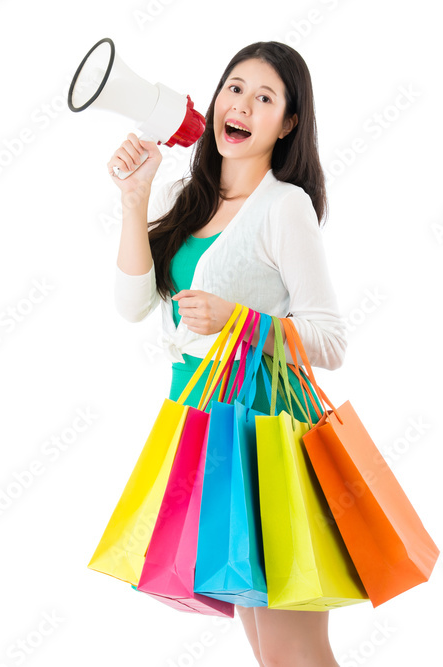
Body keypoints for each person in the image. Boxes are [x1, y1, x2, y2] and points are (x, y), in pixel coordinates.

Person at [108, 42, 348, 667]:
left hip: (267, 435)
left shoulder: (284, 207)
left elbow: (329, 341)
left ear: (287, 123)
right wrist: (135, 200)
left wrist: (239, 320)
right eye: (234, 88)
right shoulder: (182, 199)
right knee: (268, 649)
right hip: (204, 433)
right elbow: (132, 304)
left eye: (264, 98)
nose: (241, 105)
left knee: (295, 650)